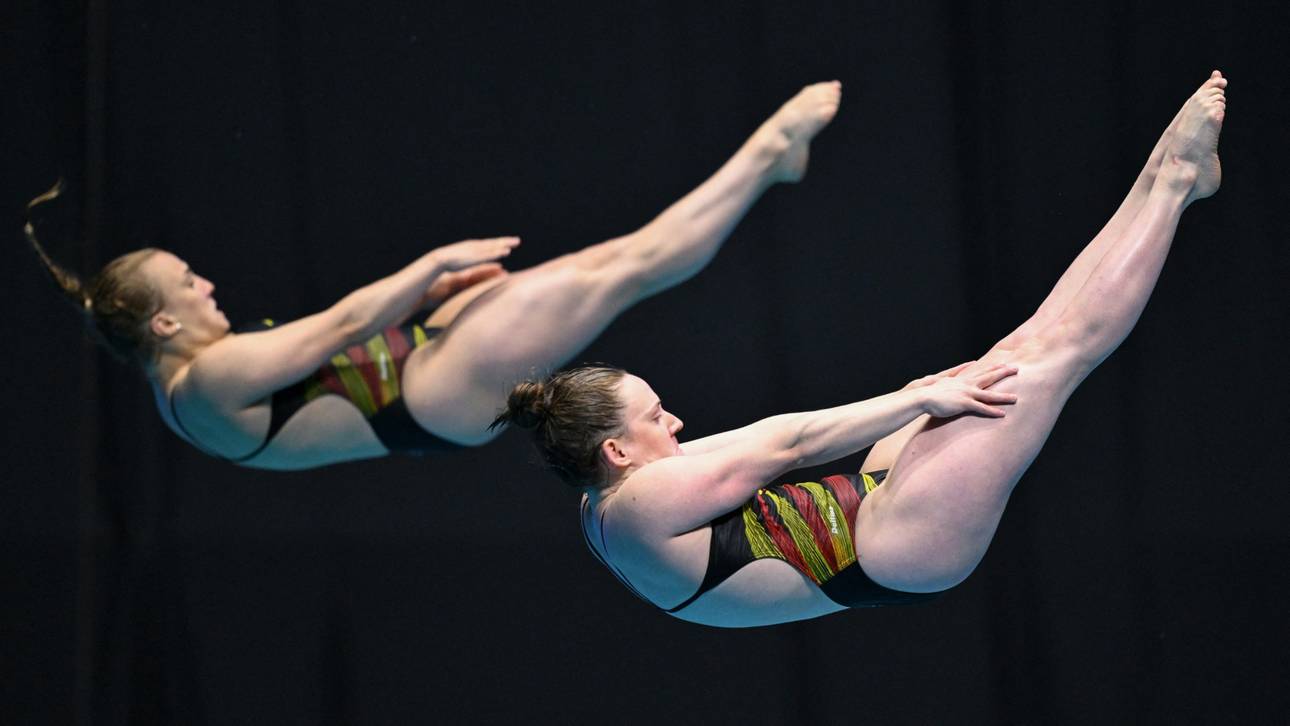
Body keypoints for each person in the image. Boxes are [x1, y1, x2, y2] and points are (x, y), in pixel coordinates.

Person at [496, 72, 1227, 628]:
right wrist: (915, 401)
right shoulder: (641, 504)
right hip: (898, 542)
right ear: (615, 449)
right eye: (656, 417)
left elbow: (757, 440)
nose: (677, 422)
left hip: (870, 509)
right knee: (1056, 358)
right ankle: (1172, 183)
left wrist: (908, 401)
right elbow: (789, 441)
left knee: (1020, 349)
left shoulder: (606, 500)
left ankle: (1168, 182)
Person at [27, 82, 843, 470]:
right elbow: (342, 325)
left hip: (424, 376)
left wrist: (426, 302)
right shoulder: (208, 381)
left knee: (611, 264)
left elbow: (334, 355)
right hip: (431, 386)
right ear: (164, 324)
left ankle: (771, 163)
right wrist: (430, 266)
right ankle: (770, 153)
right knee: (629, 266)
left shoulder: (188, 397)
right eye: (188, 284)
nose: (207, 285)